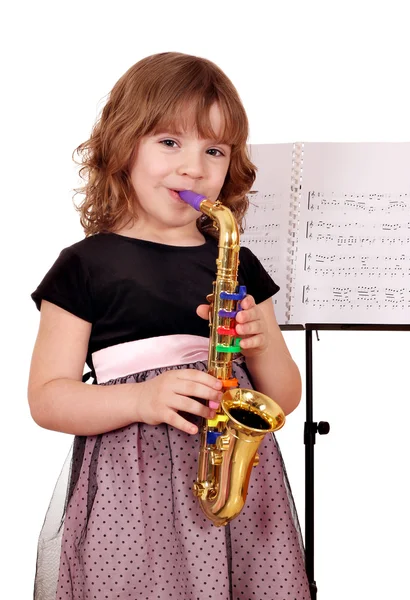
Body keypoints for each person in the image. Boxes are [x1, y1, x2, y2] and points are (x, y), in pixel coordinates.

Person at [28, 52, 311, 600]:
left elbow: (282, 396)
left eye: (214, 150)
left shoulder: (238, 262)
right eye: (169, 142)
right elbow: (47, 399)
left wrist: (261, 338)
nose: (194, 167)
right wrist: (144, 400)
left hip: (240, 489)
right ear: (121, 146)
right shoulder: (85, 265)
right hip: (132, 491)